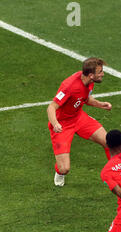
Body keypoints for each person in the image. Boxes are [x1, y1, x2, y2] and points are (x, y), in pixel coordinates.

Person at [47, 57, 112, 187]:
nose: (103, 74)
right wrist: (55, 124)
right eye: (100, 72)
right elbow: (51, 107)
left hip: (79, 118)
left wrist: (100, 104)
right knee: (64, 168)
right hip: (62, 124)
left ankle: (115, 173)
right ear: (91, 75)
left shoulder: (89, 81)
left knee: (108, 142)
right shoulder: (69, 86)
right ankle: (59, 172)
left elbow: (84, 98)